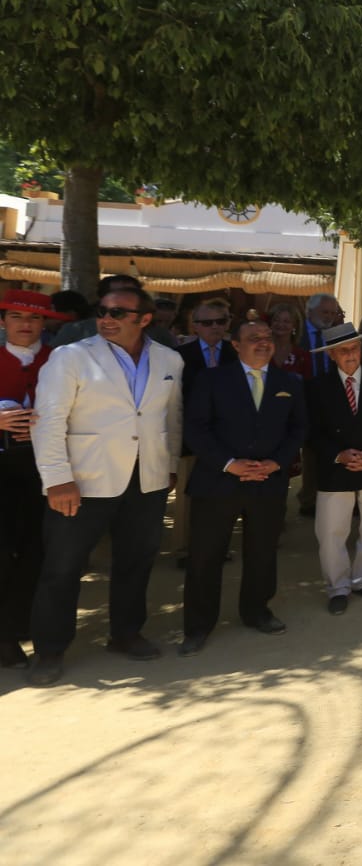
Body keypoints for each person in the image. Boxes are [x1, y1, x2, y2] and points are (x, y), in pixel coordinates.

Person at [28, 285, 185, 685]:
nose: (106, 319)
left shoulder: (169, 359)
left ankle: (126, 633)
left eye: (118, 313)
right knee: (62, 568)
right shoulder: (70, 358)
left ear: (144, 319)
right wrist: (58, 479)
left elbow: (171, 417)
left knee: (136, 561)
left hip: (145, 479)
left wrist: (167, 466)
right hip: (83, 480)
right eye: (103, 311)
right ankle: (50, 650)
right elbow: (48, 421)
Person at [178, 316, 307, 654]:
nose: (263, 341)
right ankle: (198, 625)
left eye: (267, 336)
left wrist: (276, 462)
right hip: (217, 482)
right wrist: (229, 464)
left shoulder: (288, 381)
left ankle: (257, 611)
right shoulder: (211, 380)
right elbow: (195, 428)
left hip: (268, 482)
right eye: (253, 337)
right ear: (235, 345)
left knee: (262, 553)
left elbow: (298, 429)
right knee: (206, 556)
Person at [306, 322, 362, 615]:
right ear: (332, 355)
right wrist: (338, 455)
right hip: (335, 470)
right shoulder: (317, 386)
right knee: (332, 531)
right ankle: (338, 587)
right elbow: (311, 432)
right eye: (342, 350)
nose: (350, 355)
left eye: (354, 348)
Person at [0, 291, 67, 668]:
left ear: (44, 323)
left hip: (46, 468)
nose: (25, 324)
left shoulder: (60, 360)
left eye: (34, 318)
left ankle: (17, 627)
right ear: (3, 322)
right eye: (15, 316)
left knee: (35, 552)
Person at [173, 300, 238, 565]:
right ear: (195, 326)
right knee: (189, 500)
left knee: (224, 499)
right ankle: (187, 551)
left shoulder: (237, 354)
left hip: (229, 442)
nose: (215, 327)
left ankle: (218, 549)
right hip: (191, 441)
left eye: (221, 321)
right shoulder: (179, 356)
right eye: (207, 322)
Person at [297, 293, 346, 517]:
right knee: (308, 452)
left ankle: (324, 496)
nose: (328, 317)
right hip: (302, 400)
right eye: (324, 312)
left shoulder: (335, 333)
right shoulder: (295, 332)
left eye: (332, 312)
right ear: (310, 312)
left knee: (327, 448)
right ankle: (308, 500)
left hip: (330, 400)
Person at [267, 302, 313, 380]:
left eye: (286, 321)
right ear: (270, 323)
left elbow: (308, 386)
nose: (280, 324)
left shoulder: (302, 356)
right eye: (276, 320)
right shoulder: (261, 351)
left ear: (294, 326)